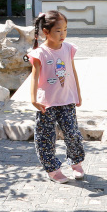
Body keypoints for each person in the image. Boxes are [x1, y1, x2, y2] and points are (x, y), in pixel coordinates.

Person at [28, 10, 85, 183]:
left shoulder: (68, 49)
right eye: (58, 31)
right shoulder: (40, 53)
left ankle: (76, 162)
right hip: (47, 103)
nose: (63, 34)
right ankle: (52, 169)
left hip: (67, 99)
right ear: (46, 32)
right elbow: (34, 77)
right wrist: (33, 99)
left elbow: (73, 71)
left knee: (72, 133)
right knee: (45, 137)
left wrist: (78, 93)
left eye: (65, 30)